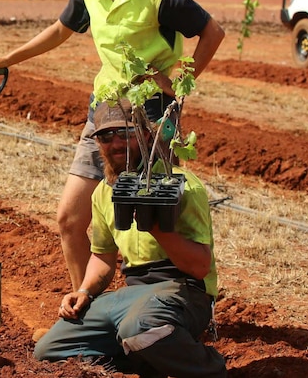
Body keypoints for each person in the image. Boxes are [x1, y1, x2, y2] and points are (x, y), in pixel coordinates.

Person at [0, 0, 225, 291]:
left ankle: (171, 306)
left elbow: (213, 32)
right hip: (104, 115)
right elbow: (59, 31)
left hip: (152, 119)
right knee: (70, 219)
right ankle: (83, 304)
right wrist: (7, 59)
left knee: (153, 222)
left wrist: (179, 81)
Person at [33, 100, 226, 377]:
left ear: (147, 134)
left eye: (126, 133)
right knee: (50, 350)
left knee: (139, 327)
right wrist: (84, 291)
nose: (116, 143)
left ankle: (209, 369)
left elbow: (199, 267)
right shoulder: (102, 192)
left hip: (182, 289)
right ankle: (148, 357)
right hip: (131, 294)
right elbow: (102, 257)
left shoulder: (182, 185)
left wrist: (155, 225)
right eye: (105, 136)